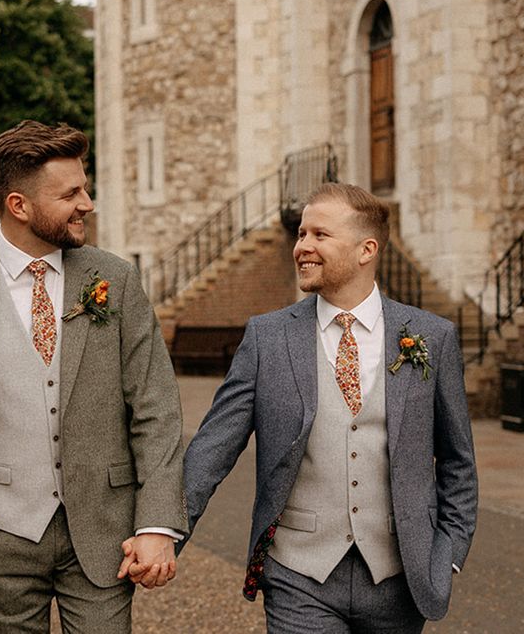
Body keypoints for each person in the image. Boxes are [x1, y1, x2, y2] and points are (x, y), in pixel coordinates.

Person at [0, 120, 186, 634]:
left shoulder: (114, 278)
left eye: (85, 188)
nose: (87, 203)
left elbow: (156, 409)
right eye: (70, 194)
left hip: (105, 530)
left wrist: (157, 523)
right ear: (19, 205)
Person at [180, 182, 478, 633]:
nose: (303, 246)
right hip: (298, 575)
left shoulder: (432, 337)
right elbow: (213, 446)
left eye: (320, 235)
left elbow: (458, 462)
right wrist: (164, 530)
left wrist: (447, 556)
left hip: (400, 579)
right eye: (302, 234)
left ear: (366, 250)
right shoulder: (267, 337)